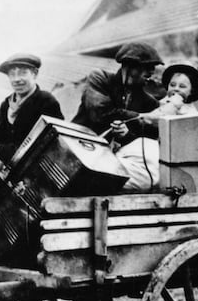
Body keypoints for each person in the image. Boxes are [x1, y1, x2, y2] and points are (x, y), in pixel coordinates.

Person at [71, 41, 168, 192]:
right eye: (146, 68)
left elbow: (151, 136)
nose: (151, 73)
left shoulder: (148, 102)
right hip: (78, 153)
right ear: (128, 66)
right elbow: (100, 113)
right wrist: (141, 117)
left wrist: (127, 134)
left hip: (110, 167)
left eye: (152, 68)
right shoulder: (100, 78)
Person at [0, 53, 64, 163]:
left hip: (33, 165)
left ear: (34, 74)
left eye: (22, 73)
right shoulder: (7, 104)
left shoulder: (46, 101)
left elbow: (51, 144)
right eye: (12, 74)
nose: (16, 79)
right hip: (6, 161)